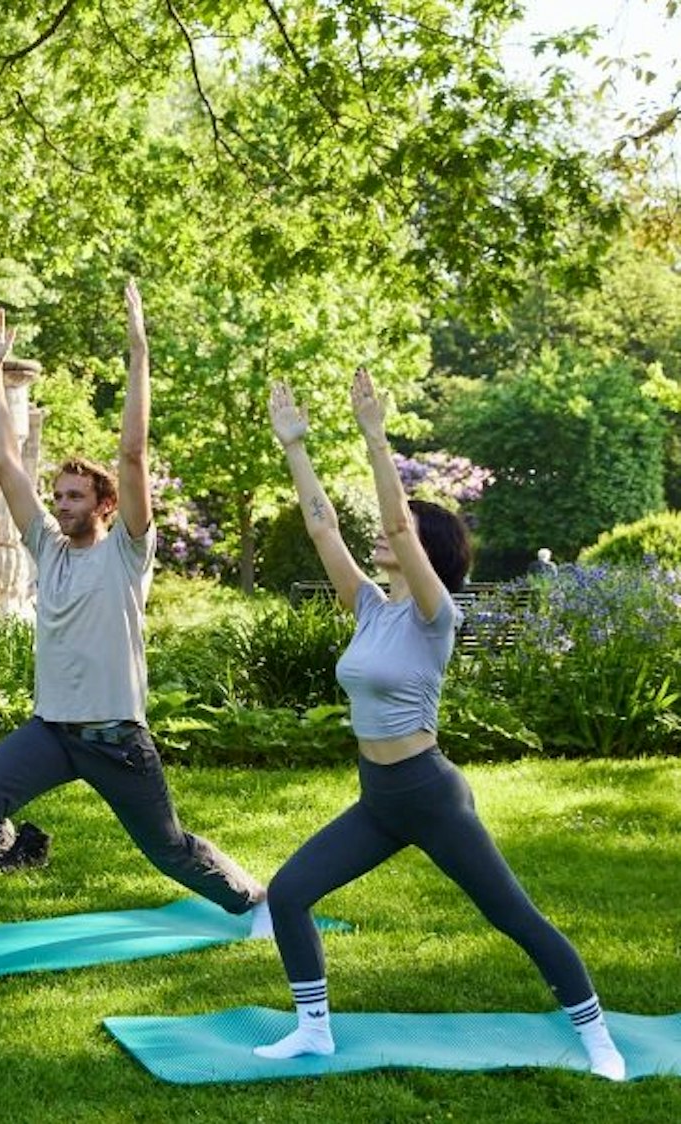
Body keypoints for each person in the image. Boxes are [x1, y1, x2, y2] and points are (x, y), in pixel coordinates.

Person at [255, 370, 625, 1079]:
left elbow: (397, 522)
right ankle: (312, 1030)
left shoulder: (434, 617)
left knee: (513, 917)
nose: (389, 535)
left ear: (425, 550)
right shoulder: (368, 606)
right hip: (379, 798)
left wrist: (373, 435)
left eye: (406, 533)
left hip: (429, 794)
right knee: (292, 891)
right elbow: (321, 525)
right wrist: (294, 447)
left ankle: (596, 1037)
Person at [0, 284, 266, 988]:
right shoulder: (47, 547)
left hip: (115, 737)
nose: (60, 504)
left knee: (166, 848)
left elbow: (132, 453)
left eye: (74, 497)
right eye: (58, 496)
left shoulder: (127, 551)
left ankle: (254, 902)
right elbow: (6, 464)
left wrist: (138, 350)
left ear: (103, 506)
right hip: (51, 731)